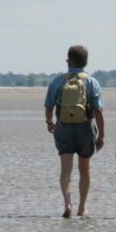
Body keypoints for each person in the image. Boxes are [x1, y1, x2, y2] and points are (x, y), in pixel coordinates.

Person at [44, 45, 105, 218]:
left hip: (64, 126)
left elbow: (49, 106)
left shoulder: (58, 81)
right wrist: (101, 135)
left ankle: (67, 204)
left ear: (68, 61)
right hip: (85, 127)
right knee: (84, 169)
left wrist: (49, 122)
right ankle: (82, 207)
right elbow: (99, 111)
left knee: (66, 170)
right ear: (85, 62)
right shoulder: (92, 82)